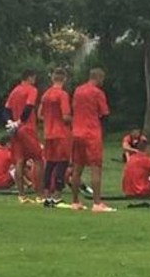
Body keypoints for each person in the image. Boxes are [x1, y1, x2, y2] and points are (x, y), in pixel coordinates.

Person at [71, 67, 113, 212]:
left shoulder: (77, 90)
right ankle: (96, 203)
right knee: (95, 167)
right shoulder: (98, 93)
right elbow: (104, 114)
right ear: (99, 77)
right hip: (91, 132)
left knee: (77, 168)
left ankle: (75, 201)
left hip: (76, 131)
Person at [4, 70, 43, 203]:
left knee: (19, 161)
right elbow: (29, 107)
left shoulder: (14, 91)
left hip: (15, 130)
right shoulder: (32, 90)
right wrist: (20, 122)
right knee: (38, 159)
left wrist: (10, 122)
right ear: (30, 77)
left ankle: (21, 195)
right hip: (27, 128)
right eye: (34, 78)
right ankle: (39, 195)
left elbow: (6, 110)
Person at [39, 68, 72, 207]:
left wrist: (49, 120)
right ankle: (57, 195)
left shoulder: (45, 95)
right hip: (61, 133)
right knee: (62, 163)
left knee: (50, 164)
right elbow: (65, 117)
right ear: (64, 79)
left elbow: (39, 115)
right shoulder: (62, 95)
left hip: (48, 133)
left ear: (52, 79)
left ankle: (46, 195)